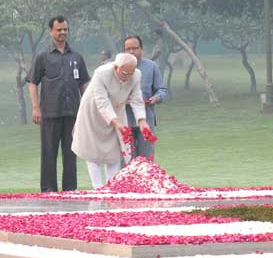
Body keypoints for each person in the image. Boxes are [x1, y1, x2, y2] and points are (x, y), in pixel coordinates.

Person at [26, 15, 90, 192]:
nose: (63, 32)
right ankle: (48, 191)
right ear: (51, 31)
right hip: (50, 113)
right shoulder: (42, 56)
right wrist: (35, 107)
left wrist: (86, 108)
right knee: (49, 153)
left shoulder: (76, 56)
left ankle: (70, 191)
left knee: (71, 154)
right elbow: (32, 82)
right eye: (59, 29)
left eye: (65, 29)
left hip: (73, 113)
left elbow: (84, 83)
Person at [71, 53, 151, 189]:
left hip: (117, 110)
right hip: (93, 112)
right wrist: (115, 122)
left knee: (115, 150)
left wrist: (142, 120)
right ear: (115, 68)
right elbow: (102, 102)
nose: (128, 77)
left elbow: (137, 99)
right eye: (125, 73)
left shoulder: (136, 75)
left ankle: (112, 186)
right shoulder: (101, 73)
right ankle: (97, 187)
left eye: (131, 73)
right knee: (93, 150)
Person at [124, 35, 168, 160]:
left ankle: (146, 180)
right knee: (127, 162)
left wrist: (156, 98)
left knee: (146, 161)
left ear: (141, 49)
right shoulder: (118, 68)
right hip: (125, 121)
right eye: (128, 49)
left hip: (146, 119)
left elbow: (162, 90)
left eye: (135, 48)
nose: (131, 51)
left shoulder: (151, 66)